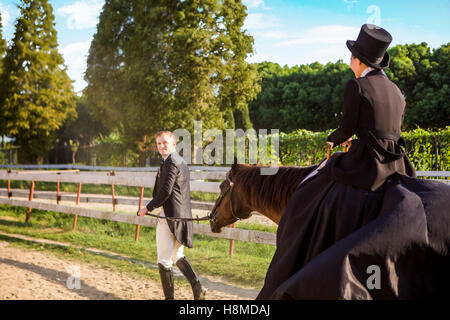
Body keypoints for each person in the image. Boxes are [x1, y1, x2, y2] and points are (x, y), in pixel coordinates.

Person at [257, 24, 449, 299]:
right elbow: (388, 130)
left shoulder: (356, 86)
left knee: (312, 189)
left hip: (368, 164)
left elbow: (348, 127)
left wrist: (334, 139)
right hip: (396, 163)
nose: (349, 63)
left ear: (359, 61)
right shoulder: (396, 91)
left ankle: (302, 255)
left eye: (351, 58)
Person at [138, 131, 207, 300]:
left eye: (165, 143)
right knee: (177, 255)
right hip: (182, 216)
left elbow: (166, 191)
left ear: (174, 143)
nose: (162, 146)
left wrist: (147, 208)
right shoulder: (181, 161)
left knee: (164, 259)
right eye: (159, 143)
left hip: (170, 217)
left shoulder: (171, 162)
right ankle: (197, 286)